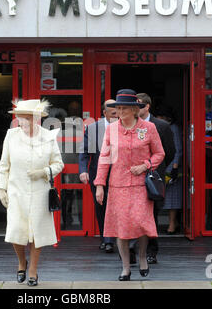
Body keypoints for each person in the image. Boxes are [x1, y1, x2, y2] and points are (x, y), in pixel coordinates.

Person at [94, 89, 165, 281]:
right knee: (122, 227)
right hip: (118, 186)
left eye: (124, 108)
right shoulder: (112, 129)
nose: (120, 111)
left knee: (141, 224)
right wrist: (100, 184)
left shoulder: (148, 128)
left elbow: (159, 153)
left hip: (142, 185)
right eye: (118, 108)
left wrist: (145, 165)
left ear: (135, 109)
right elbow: (104, 157)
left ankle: (142, 257)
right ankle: (125, 267)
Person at [0, 99, 64, 287]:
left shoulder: (48, 137)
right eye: (20, 118)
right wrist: (2, 188)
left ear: (36, 118)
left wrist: (43, 172)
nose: (22, 122)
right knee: (17, 231)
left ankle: (33, 270)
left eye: (26, 118)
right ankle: (21, 262)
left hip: (40, 191)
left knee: (37, 232)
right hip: (16, 191)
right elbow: (4, 165)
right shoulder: (11, 135)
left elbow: (58, 164)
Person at [133, 93, 175, 265]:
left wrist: (157, 167)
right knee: (132, 213)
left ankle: (151, 251)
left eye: (141, 106)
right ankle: (131, 249)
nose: (137, 109)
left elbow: (169, 152)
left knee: (152, 214)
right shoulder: (129, 124)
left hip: (154, 175)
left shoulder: (162, 126)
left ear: (148, 106)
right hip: (134, 174)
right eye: (135, 106)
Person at [79, 99, 118, 253]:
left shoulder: (125, 125)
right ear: (105, 113)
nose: (117, 115)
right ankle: (106, 239)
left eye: (119, 112)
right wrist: (83, 170)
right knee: (101, 206)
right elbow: (84, 151)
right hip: (98, 173)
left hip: (120, 173)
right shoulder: (93, 128)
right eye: (114, 113)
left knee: (118, 206)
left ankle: (120, 238)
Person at [156, 107, 183, 234]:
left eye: (161, 117)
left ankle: (172, 224)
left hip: (171, 166)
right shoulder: (158, 127)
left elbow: (178, 149)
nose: (159, 119)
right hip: (161, 165)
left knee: (172, 197)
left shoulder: (174, 129)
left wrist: (175, 168)